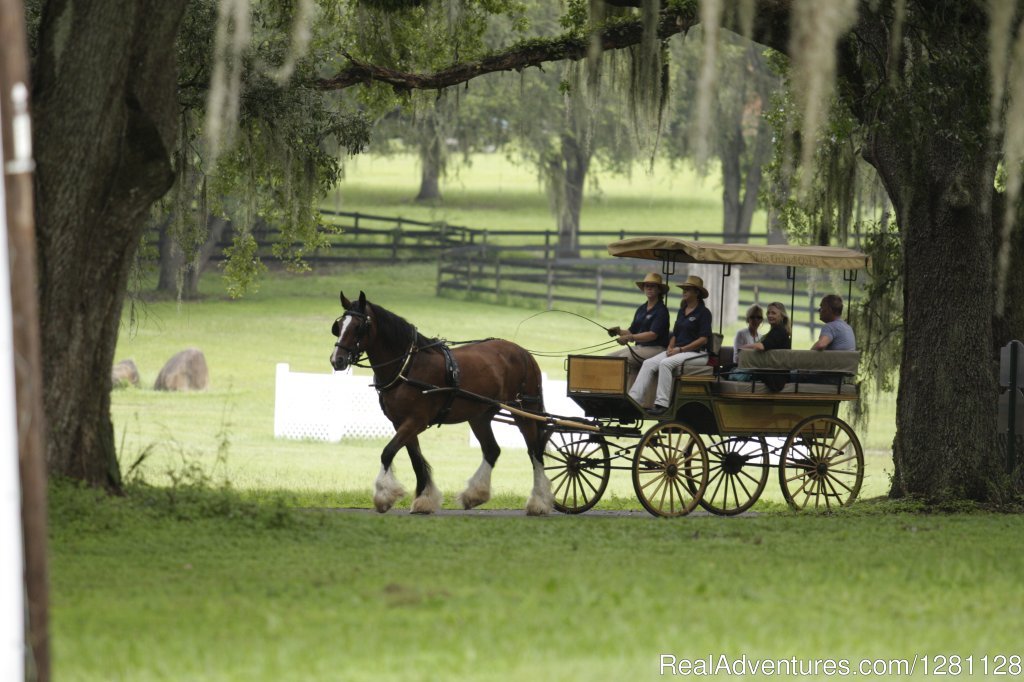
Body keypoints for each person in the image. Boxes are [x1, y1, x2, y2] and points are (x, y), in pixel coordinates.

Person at [628, 275, 712, 415]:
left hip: (697, 353)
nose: (684, 292)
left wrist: (681, 349)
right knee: (649, 363)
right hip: (679, 350)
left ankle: (662, 404)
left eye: (688, 289)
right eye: (684, 289)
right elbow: (675, 334)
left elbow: (703, 339)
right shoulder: (682, 311)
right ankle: (634, 399)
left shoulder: (704, 313)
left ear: (697, 293)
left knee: (665, 364)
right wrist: (670, 347)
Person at [606, 273, 671, 386]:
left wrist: (630, 337)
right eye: (647, 286)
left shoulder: (662, 311)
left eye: (653, 286)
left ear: (659, 290)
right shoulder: (641, 309)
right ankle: (609, 390)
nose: (649, 288)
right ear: (644, 289)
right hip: (640, 347)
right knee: (608, 358)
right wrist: (619, 331)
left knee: (623, 360)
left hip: (656, 348)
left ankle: (627, 394)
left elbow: (652, 335)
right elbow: (632, 331)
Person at [730, 302, 791, 386]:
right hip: (769, 370)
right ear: (748, 319)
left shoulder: (778, 331)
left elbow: (761, 346)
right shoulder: (775, 331)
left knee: (727, 370)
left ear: (781, 315)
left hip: (775, 376)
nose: (770, 315)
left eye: (773, 313)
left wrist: (743, 347)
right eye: (768, 313)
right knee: (727, 368)